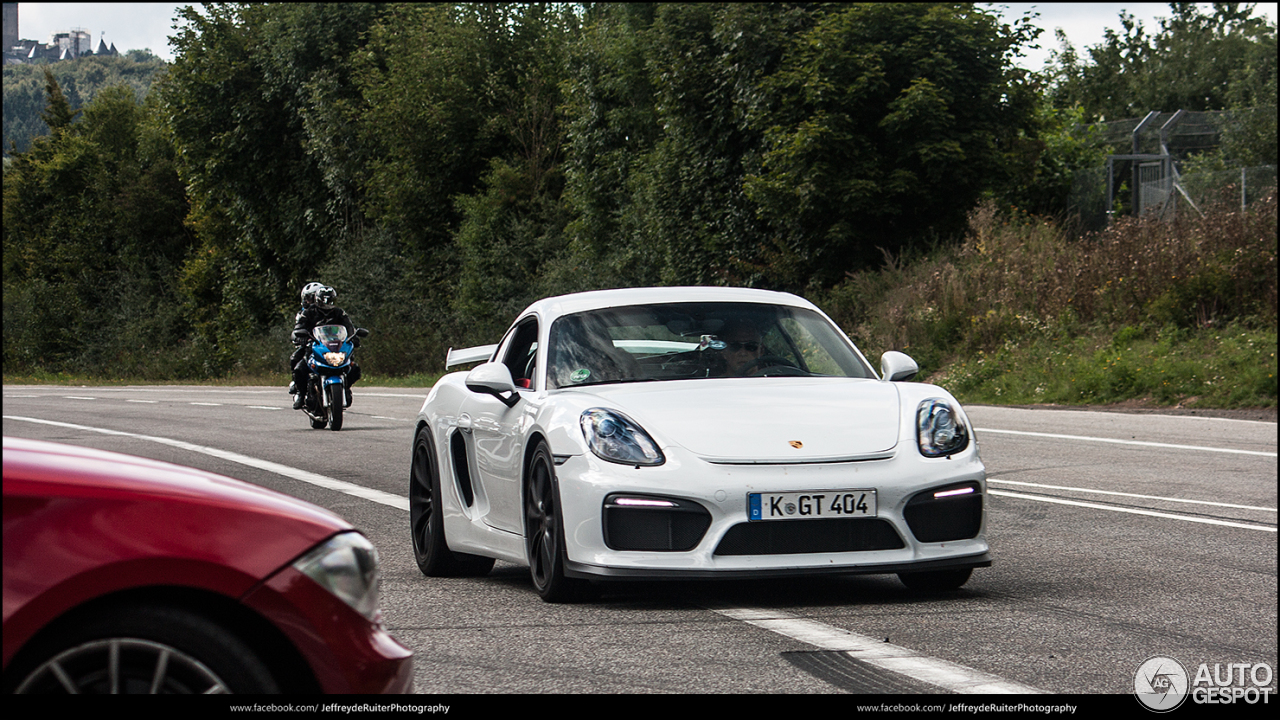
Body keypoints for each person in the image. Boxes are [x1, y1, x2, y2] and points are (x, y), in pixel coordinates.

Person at [291, 285, 362, 409]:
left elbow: (349, 326)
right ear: (317, 299)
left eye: (330, 300)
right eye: (325, 300)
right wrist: (300, 335)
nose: (328, 303)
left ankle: (346, 388)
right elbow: (299, 326)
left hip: (336, 346)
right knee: (299, 369)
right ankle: (302, 395)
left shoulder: (339, 312)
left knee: (354, 368)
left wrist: (354, 337)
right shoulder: (308, 312)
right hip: (315, 345)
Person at [287, 282, 325, 397]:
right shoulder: (303, 314)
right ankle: (300, 389)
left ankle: (346, 386)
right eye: (308, 298)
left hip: (328, 343)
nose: (310, 301)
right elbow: (297, 329)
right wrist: (299, 338)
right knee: (295, 359)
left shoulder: (329, 312)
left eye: (312, 298)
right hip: (310, 343)